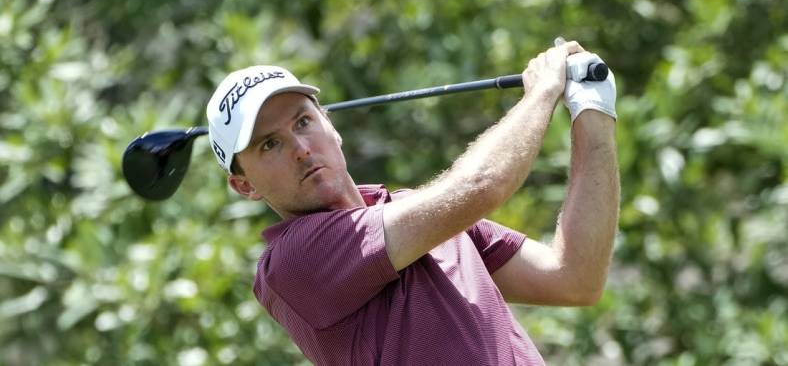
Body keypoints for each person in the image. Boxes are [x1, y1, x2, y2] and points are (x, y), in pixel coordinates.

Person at [205, 41, 619, 365]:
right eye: (270, 144)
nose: (299, 148)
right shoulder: (293, 263)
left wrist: (593, 112)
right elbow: (481, 185)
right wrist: (543, 91)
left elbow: (575, 277)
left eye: (303, 121)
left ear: (331, 125)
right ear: (245, 186)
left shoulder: (420, 217)